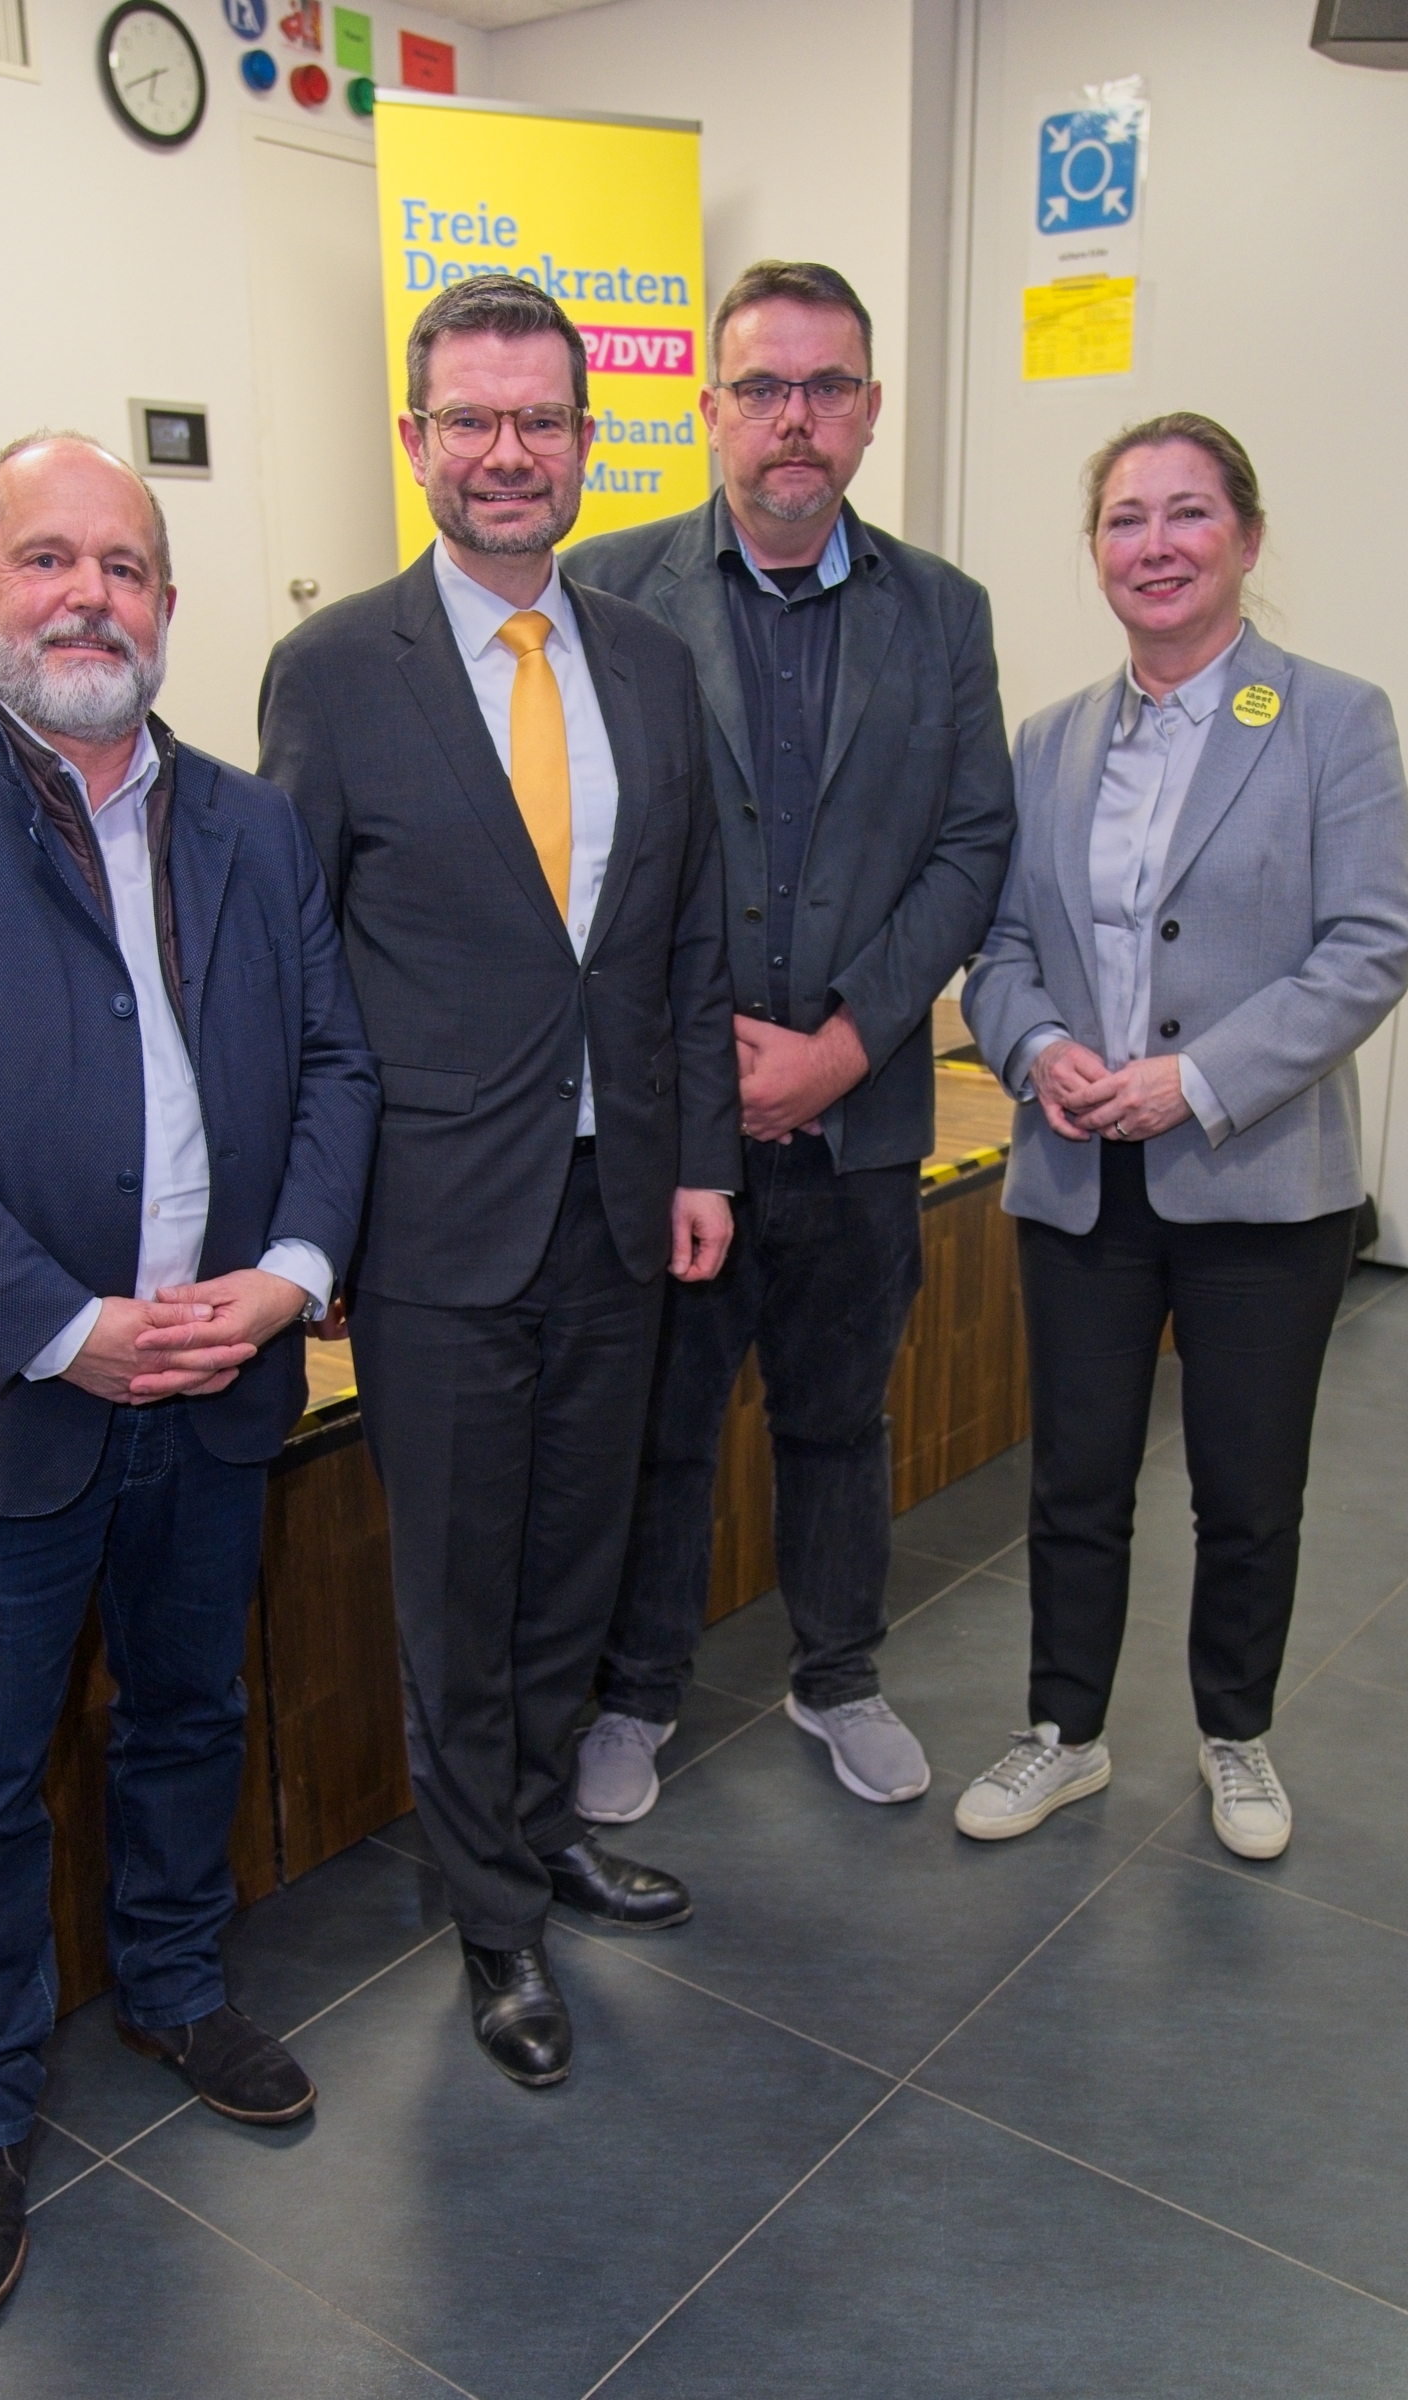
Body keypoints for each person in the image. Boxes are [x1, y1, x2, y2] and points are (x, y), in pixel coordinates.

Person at [0, 434, 379, 2321]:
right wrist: (67, 1325)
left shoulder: (258, 825)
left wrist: (281, 1280)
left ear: (171, 608)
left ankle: (178, 1988)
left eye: (125, 564)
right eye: (47, 559)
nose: (88, 593)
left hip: (219, 1380)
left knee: (191, 1711)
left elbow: (340, 1070)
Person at [256, 277, 739, 2089]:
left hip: (623, 1206)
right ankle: (491, 1921)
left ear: (587, 442)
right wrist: (309, 1229)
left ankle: (541, 1831)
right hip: (440, 1218)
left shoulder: (646, 661)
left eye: (541, 420)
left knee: (574, 1562)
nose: (509, 453)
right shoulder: (330, 673)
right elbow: (294, 972)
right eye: (472, 420)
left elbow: (681, 939)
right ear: (417, 442)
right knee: (461, 1587)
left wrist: (699, 1165)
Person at [566, 260, 1015, 1824]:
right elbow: (588, 859)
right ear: (709, 410)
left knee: (839, 1419)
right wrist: (704, 1062)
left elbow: (972, 843)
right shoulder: (608, 592)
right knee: (663, 1434)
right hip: (672, 1130)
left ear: (872, 413)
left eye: (828, 389)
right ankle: (633, 1699)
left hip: (860, 1115)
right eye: (762, 388)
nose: (795, 421)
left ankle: (840, 1678)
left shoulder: (944, 613)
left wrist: (845, 1042)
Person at [956, 411, 1408, 1860]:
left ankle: (1238, 1736)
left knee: (1247, 1485)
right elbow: (1002, 947)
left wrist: (1194, 1080)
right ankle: (1064, 1733)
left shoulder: (1333, 719)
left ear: (1248, 539)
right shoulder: (1049, 739)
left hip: (1259, 1179)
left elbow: (1366, 949)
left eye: (1187, 515)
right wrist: (1038, 1050)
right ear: (1094, 552)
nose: (1153, 545)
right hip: (1082, 1172)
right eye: (1124, 520)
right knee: (1078, 1475)